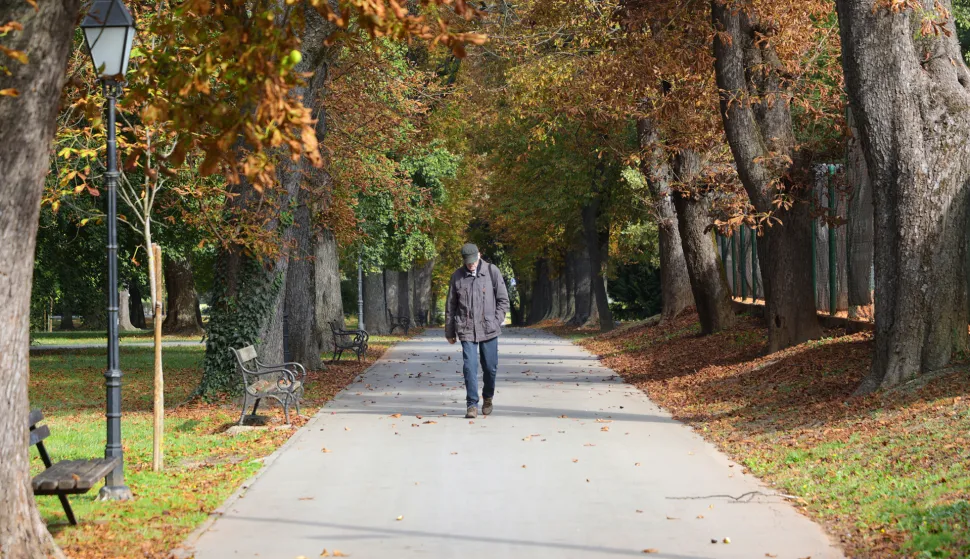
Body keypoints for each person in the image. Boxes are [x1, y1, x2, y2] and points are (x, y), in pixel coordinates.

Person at [445, 243, 510, 418]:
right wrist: (449, 332)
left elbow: (503, 300)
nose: (471, 265)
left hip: (489, 328)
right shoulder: (457, 276)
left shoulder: (491, 271)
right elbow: (451, 306)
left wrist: (496, 321)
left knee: (490, 368)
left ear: (479, 255)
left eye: (473, 261)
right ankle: (471, 405)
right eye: (468, 262)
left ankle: (487, 397)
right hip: (467, 329)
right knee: (469, 367)